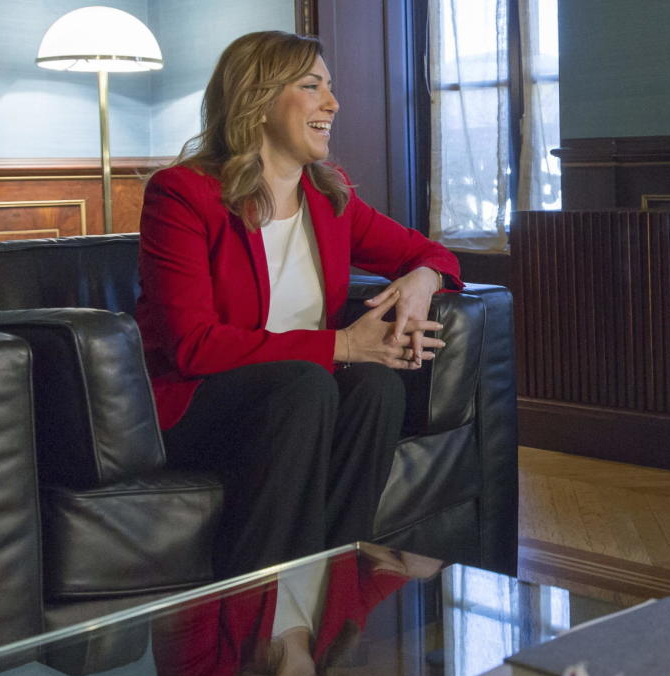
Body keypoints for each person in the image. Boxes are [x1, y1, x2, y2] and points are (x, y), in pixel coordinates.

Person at [137, 30, 463, 578]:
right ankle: (263, 602)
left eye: (329, 87)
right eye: (312, 86)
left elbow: (432, 254)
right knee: (308, 383)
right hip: (197, 403)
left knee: (376, 386)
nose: (332, 103)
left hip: (301, 398)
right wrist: (342, 344)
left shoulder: (330, 196)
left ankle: (333, 585)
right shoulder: (183, 194)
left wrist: (422, 280)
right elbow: (193, 347)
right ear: (259, 99)